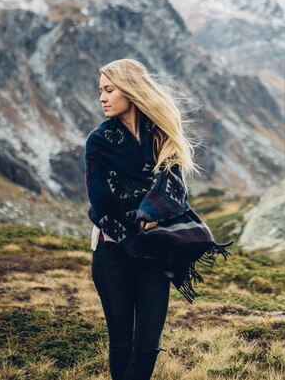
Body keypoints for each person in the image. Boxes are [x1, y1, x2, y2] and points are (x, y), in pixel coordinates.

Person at [85, 58, 233, 380]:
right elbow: (101, 201)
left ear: (131, 90)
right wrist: (140, 217)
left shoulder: (162, 136)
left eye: (109, 90)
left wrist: (152, 212)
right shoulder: (99, 141)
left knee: (148, 344)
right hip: (113, 250)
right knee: (122, 343)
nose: (102, 98)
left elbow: (174, 188)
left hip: (154, 249)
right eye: (101, 91)